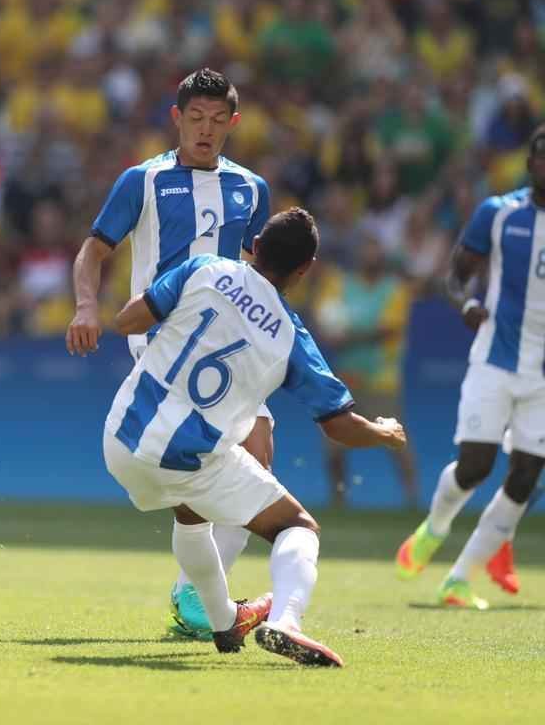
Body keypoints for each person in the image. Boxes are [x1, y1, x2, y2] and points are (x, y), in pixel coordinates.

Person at [104, 208, 407, 666]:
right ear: (304, 271)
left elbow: (128, 321)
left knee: (190, 509)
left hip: (120, 441)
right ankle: (285, 620)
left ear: (256, 244)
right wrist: (383, 433)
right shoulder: (290, 336)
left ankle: (225, 621)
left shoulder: (203, 268)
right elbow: (339, 425)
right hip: (187, 459)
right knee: (298, 526)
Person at [66, 68, 272, 640]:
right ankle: (204, 603)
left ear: (233, 124)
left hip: (231, 344)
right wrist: (86, 306)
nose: (205, 131)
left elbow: (256, 272)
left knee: (260, 457)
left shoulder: (252, 189)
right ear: (177, 119)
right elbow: (94, 249)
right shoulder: (144, 180)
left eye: (217, 121)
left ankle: (194, 593)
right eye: (195, 119)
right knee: (208, 470)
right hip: (165, 340)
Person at [395, 124, 545, 609]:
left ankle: (459, 577)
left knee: (525, 476)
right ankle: (434, 529)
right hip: (495, 359)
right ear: (528, 163)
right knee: (476, 466)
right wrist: (465, 305)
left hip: (542, 376)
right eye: (541, 156)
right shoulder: (499, 214)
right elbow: (456, 276)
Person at [313, 235, 418, 507]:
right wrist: (332, 333)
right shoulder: (339, 284)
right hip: (346, 377)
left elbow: (388, 330)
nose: (370, 256)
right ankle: (338, 497)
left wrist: (347, 336)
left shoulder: (395, 289)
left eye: (375, 251)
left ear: (382, 257)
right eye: (366, 251)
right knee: (333, 443)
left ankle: (412, 498)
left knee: (396, 439)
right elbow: (324, 322)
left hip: (381, 379)